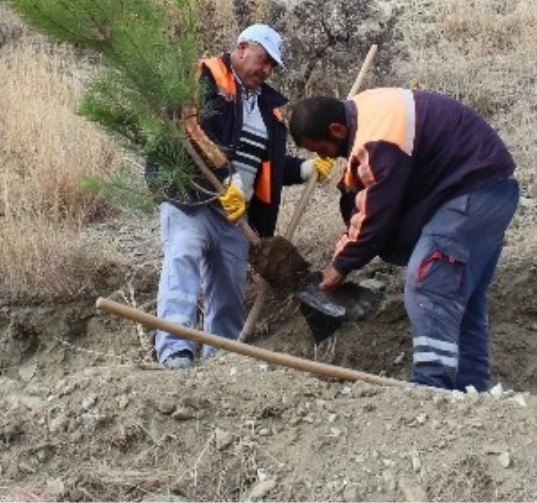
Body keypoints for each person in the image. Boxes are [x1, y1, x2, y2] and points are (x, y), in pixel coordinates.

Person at [288, 88, 518, 391]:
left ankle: (431, 388)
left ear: (336, 129)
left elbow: (377, 212)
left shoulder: (376, 140)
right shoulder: (367, 110)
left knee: (429, 283)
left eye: (320, 149)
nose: (324, 157)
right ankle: (470, 390)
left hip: (470, 193)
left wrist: (341, 264)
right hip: (491, 191)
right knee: (462, 299)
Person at [151, 24, 335, 369]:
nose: (266, 70)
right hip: (193, 200)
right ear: (241, 48)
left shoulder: (268, 108)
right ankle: (175, 348)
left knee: (229, 287)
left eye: (272, 66)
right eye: (263, 60)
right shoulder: (205, 77)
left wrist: (305, 170)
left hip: (237, 216)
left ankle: (221, 357)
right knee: (183, 260)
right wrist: (226, 178)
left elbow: (268, 165)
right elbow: (191, 128)